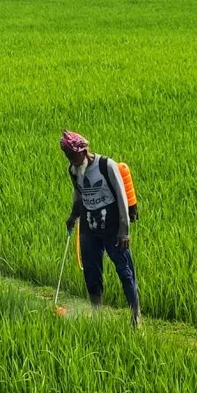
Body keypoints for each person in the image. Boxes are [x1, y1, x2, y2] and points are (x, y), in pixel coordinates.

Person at [60, 130, 141, 327]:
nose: (71, 160)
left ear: (83, 151)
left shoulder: (106, 166)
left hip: (112, 227)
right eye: (68, 156)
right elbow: (79, 195)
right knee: (91, 272)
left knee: (125, 272)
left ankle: (135, 316)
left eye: (73, 156)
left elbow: (122, 198)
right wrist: (73, 215)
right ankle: (97, 314)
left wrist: (124, 231)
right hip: (89, 226)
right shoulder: (73, 169)